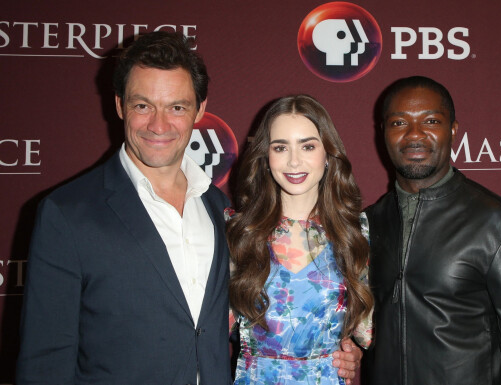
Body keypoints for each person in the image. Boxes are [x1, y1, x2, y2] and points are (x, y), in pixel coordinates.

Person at [16, 31, 361, 385]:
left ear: (200, 110)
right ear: (119, 105)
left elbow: (249, 320)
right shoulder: (68, 213)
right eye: (142, 105)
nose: (159, 124)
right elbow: (45, 362)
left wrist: (339, 348)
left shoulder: (221, 211)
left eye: (176, 107)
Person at [363, 76, 501, 385]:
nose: (414, 135)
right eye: (399, 123)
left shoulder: (497, 223)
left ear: (452, 130)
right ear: (382, 132)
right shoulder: (367, 223)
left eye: (430, 121)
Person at [225, 95, 373, 384]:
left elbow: (366, 333)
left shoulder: (355, 231)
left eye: (307, 146)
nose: (294, 161)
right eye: (280, 147)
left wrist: (354, 352)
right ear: (266, 157)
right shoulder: (237, 230)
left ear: (328, 154)